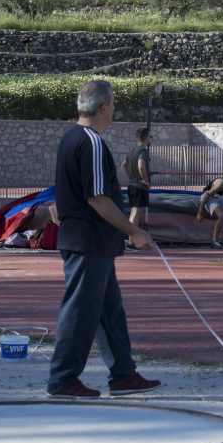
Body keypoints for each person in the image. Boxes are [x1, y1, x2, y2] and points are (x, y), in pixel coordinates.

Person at [47, 79, 161, 399]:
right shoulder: (92, 142)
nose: (114, 112)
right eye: (113, 105)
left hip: (92, 242)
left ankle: (123, 373)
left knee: (108, 310)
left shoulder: (70, 138)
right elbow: (98, 197)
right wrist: (134, 231)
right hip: (88, 241)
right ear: (104, 107)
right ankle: (63, 379)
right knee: (81, 310)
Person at [122, 127, 152, 250]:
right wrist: (146, 181)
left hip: (132, 186)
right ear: (145, 138)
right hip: (139, 187)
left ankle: (131, 240)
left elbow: (123, 165)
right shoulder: (143, 151)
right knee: (135, 213)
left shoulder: (131, 150)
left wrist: (129, 180)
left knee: (134, 213)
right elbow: (141, 166)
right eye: (150, 136)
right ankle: (131, 242)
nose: (151, 139)